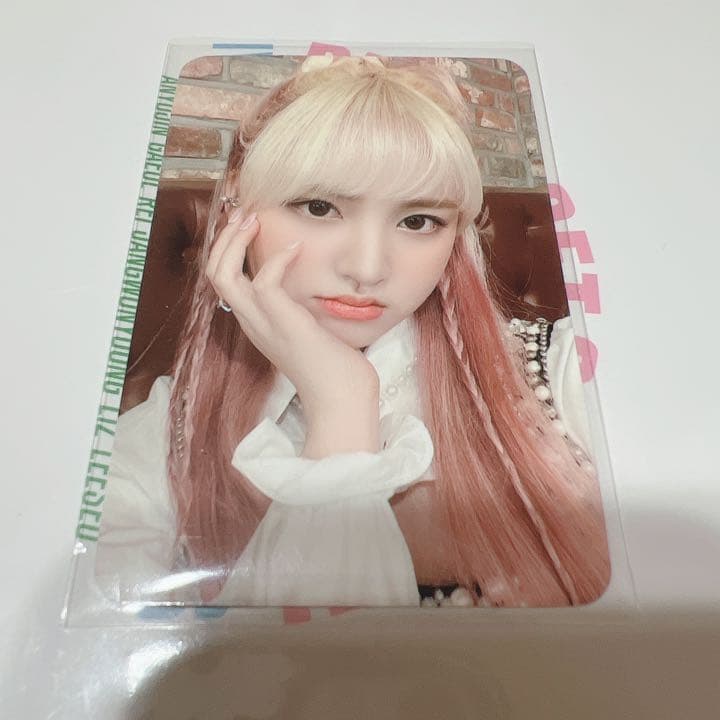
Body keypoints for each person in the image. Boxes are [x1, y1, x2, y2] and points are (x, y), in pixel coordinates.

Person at [95, 55, 610, 608]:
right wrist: (340, 404)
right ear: (236, 211)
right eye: (319, 207)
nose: (367, 269)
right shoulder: (163, 439)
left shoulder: (561, 376)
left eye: (418, 221)